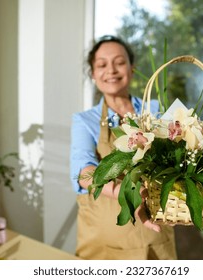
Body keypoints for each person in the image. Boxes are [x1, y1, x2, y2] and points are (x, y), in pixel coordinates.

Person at [70, 35, 177, 260]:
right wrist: (128, 193)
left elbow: (179, 161)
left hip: (155, 236)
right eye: (101, 65)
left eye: (119, 62)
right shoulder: (85, 121)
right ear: (93, 73)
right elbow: (85, 174)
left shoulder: (156, 110)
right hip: (105, 244)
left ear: (132, 67)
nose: (111, 70)